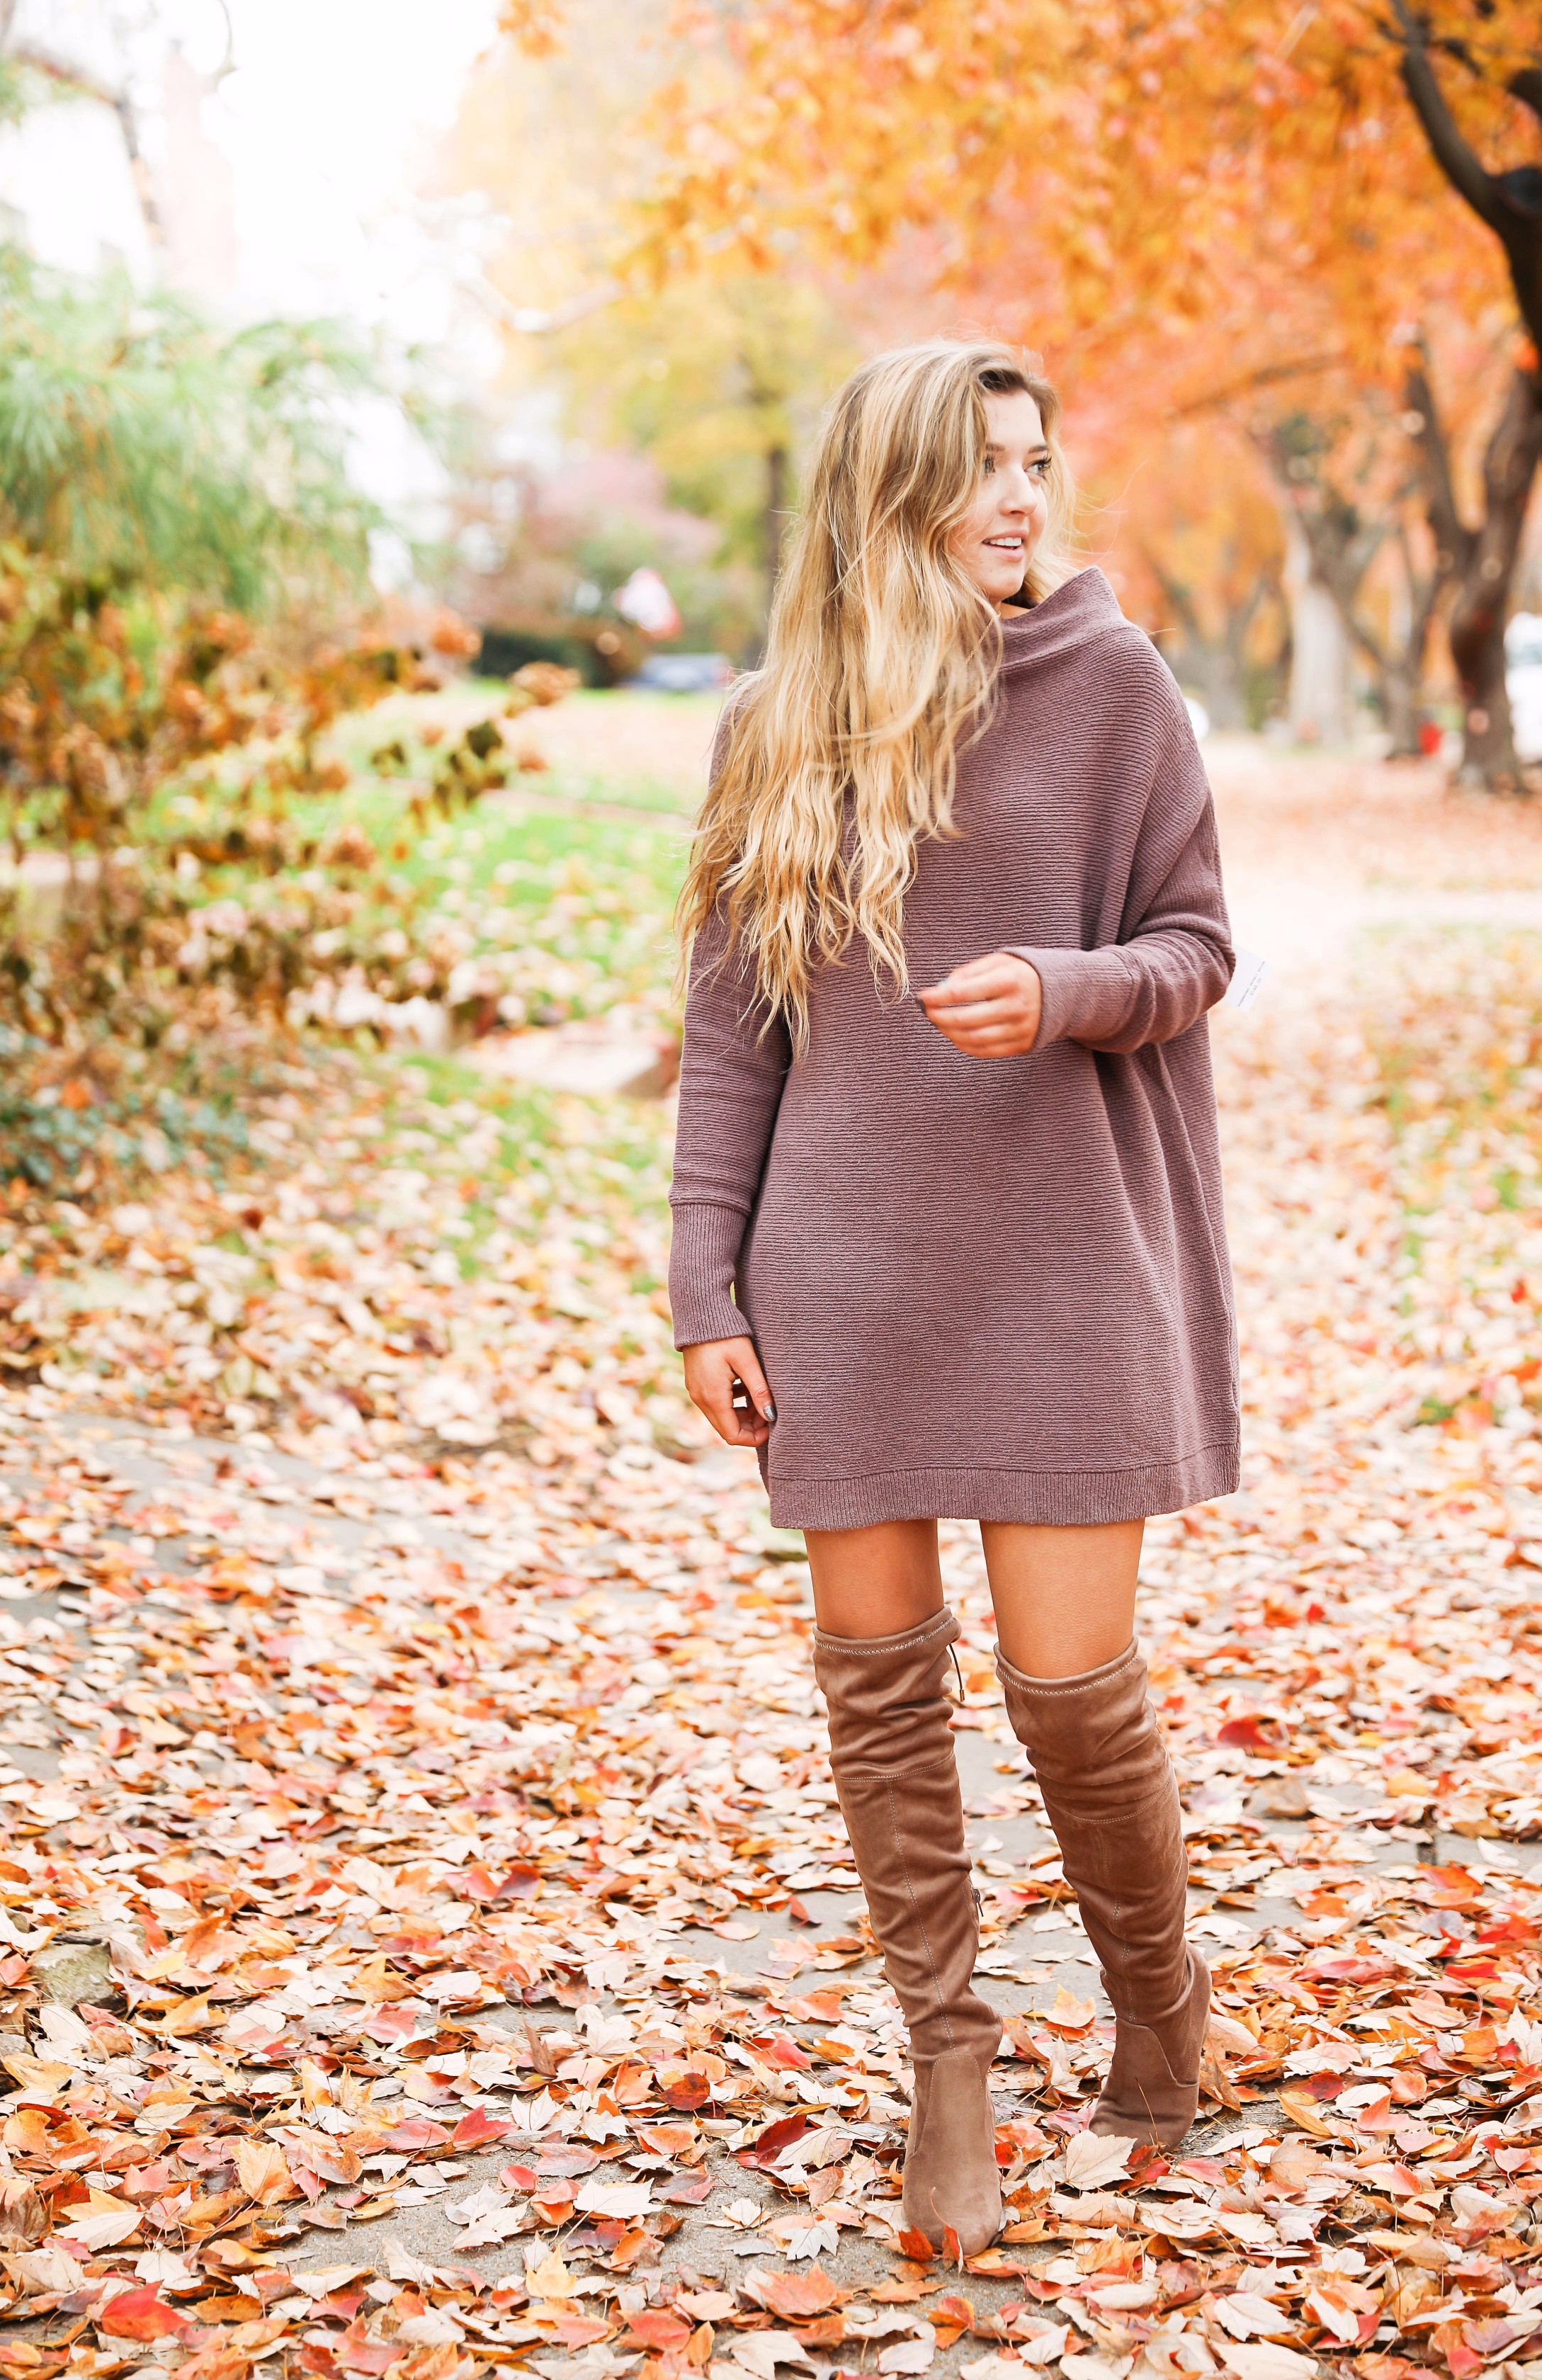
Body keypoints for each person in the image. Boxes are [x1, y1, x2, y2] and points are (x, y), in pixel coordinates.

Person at [669, 340, 1238, 2255]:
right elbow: (733, 1040)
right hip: (840, 1267)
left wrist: (1065, 991)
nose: (1019, 498)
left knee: (1075, 1697)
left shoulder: (1114, 683)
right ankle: (951, 2070)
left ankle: (1160, 2009)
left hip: (1062, 1256)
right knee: (884, 1701)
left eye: (1034, 461)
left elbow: (1196, 947)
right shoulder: (774, 727)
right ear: (883, 489)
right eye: (978, 466)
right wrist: (704, 1286)